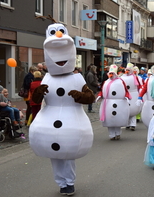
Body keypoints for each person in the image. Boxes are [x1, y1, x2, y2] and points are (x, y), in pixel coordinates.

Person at [29, 23, 95, 195]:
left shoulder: (77, 77)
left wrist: (80, 96)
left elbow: (90, 97)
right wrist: (38, 92)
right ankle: (61, 183)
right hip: (49, 122)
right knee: (55, 157)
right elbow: (35, 100)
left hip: (72, 122)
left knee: (68, 154)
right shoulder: (47, 78)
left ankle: (69, 182)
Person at [96, 64, 131, 140]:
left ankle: (118, 133)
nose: (111, 75)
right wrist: (100, 95)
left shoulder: (121, 81)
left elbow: (125, 90)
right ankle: (111, 135)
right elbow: (103, 90)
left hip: (119, 102)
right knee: (109, 120)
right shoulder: (106, 82)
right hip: (108, 103)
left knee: (118, 119)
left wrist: (126, 97)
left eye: (112, 73)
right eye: (110, 74)